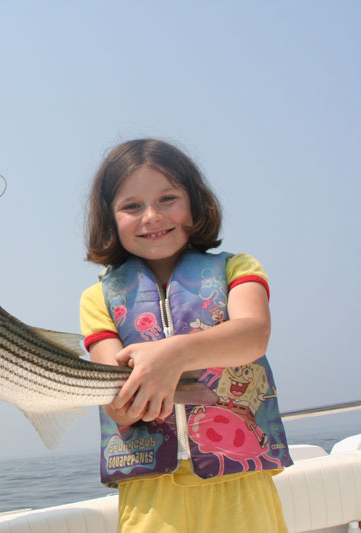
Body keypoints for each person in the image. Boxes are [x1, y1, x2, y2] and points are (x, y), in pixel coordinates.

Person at [79, 139, 292, 532]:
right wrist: (131, 400)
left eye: (167, 198)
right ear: (109, 219)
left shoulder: (238, 268)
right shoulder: (97, 299)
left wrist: (172, 355)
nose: (151, 216)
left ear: (195, 203)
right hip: (151, 496)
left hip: (241, 479)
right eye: (131, 206)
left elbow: (253, 335)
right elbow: (117, 403)